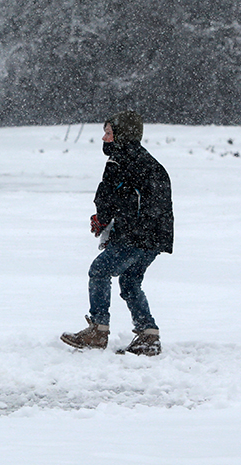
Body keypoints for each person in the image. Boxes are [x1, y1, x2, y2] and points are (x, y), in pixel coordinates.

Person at [61, 111, 173, 356]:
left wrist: (101, 219)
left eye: (109, 133)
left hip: (135, 235)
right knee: (130, 281)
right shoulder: (149, 161)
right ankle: (148, 335)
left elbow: (107, 196)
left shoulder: (119, 160)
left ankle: (98, 330)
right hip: (156, 237)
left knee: (100, 270)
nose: (104, 137)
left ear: (122, 135)